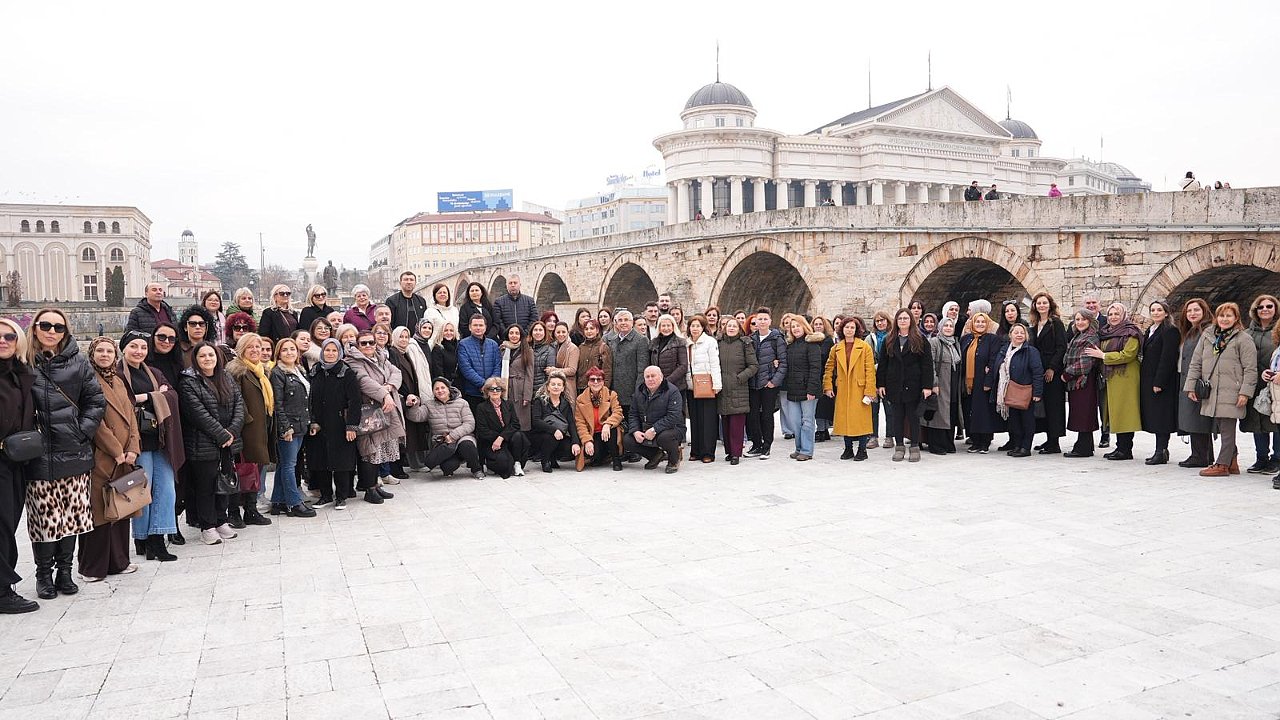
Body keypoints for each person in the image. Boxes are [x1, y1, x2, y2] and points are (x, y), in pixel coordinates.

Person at [25, 309, 106, 600]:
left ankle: (66, 571)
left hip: (73, 450)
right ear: (34, 328)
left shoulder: (78, 362)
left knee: (72, 516)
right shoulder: (23, 362)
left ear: (65, 332)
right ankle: (43, 575)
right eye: (45, 325)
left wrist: (81, 431)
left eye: (58, 327)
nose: (51, 331)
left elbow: (96, 400)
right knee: (44, 517)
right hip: (38, 453)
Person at [78, 337, 140, 582]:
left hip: (125, 455)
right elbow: (96, 423)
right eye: (100, 351)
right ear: (92, 354)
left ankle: (119, 561)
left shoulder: (119, 380)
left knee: (121, 508)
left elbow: (131, 415)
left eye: (109, 351)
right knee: (100, 512)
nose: (105, 355)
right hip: (103, 456)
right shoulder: (87, 380)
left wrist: (133, 447)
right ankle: (93, 567)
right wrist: (116, 450)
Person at [118, 330, 183, 558]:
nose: (139, 351)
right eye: (134, 346)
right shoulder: (118, 374)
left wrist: (144, 397)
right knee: (140, 491)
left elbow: (172, 395)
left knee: (166, 489)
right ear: (124, 348)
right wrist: (154, 395)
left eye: (143, 347)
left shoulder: (154, 372)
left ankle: (158, 537)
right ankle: (141, 538)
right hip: (136, 442)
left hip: (160, 438)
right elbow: (123, 401)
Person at [179, 342, 243, 545]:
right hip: (203, 443)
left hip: (227, 442)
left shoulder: (226, 377)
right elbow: (197, 414)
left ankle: (221, 520)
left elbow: (240, 406)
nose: (208, 359)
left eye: (211, 355)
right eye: (203, 356)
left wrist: (231, 431)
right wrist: (221, 435)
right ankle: (207, 525)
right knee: (205, 486)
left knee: (224, 481)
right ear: (196, 359)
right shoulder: (188, 381)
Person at [1185, 303, 1257, 476]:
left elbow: (1250, 368)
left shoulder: (1243, 339)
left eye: (1229, 316)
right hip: (1212, 391)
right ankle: (1232, 461)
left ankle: (1222, 465)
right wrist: (1190, 386)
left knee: (1226, 428)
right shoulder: (1208, 336)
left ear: (1236, 318)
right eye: (1221, 316)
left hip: (1232, 391)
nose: (1225, 319)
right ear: (1216, 318)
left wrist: (1245, 393)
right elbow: (1196, 362)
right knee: (1220, 426)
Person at [0, 318, 38, 613]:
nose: (3, 340)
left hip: (16, 460)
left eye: (9, 336)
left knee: (8, 523)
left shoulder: (21, 373)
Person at [345, 329, 405, 501]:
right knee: (369, 451)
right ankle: (369, 489)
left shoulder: (380, 356)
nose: (369, 346)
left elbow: (396, 373)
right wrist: (384, 394)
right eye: (364, 343)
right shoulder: (353, 360)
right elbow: (364, 381)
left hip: (385, 411)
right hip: (368, 412)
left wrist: (390, 387)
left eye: (371, 342)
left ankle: (375, 485)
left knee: (380, 450)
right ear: (357, 344)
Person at [226, 333, 276, 528]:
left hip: (261, 428)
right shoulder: (237, 371)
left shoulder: (261, 371)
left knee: (255, 470)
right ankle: (234, 512)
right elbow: (235, 402)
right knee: (241, 471)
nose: (256, 350)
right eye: (250, 347)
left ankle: (251, 509)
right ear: (241, 350)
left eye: (258, 346)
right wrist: (246, 421)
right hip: (246, 430)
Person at [306, 339, 361, 508]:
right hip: (320, 425)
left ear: (339, 353)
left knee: (341, 463)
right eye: (327, 350)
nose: (330, 353)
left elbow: (355, 401)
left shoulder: (346, 372)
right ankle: (326, 495)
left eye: (334, 351)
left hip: (339, 424)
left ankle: (341, 496)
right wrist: (313, 421)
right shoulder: (316, 370)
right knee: (321, 462)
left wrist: (351, 425)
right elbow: (310, 399)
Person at [1084, 303, 1142, 461]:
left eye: (1117, 314)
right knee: (1115, 413)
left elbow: (1128, 354)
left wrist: (1103, 356)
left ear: (1123, 315)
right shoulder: (1105, 332)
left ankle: (1126, 449)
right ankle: (1119, 447)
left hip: (1126, 378)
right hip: (1110, 377)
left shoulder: (1131, 332)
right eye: (1110, 314)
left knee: (1125, 413)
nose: (1113, 317)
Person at [268, 338, 317, 517]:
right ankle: (294, 504)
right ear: (278, 353)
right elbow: (277, 404)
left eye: (292, 349)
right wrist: (285, 427)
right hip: (288, 426)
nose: (289, 353)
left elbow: (306, 400)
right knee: (289, 465)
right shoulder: (277, 373)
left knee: (284, 464)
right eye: (284, 350)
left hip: (300, 424)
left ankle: (278, 501)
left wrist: (310, 421)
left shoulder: (299, 370)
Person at [878, 308, 934, 462]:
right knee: (897, 417)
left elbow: (927, 365)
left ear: (911, 321)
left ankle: (915, 446)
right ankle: (899, 446)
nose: (903, 321)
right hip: (894, 385)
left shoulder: (920, 340)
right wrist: (881, 384)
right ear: (896, 321)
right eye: (900, 318)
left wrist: (927, 386)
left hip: (913, 385)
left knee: (913, 416)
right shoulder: (889, 340)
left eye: (906, 318)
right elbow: (883, 364)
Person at [988, 323, 1044, 457]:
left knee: (1027, 420)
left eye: (1022, 333)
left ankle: (1025, 447)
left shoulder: (1031, 351)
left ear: (1026, 336)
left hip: (1025, 390)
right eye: (1016, 332)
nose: (1019, 335)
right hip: (1008, 390)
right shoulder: (1004, 351)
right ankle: (1017, 445)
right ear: (1010, 335)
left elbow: (1037, 372)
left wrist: (1037, 392)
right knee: (1014, 421)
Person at [825, 316, 876, 461]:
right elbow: (829, 368)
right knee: (845, 419)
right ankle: (848, 449)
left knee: (861, 421)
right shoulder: (836, 348)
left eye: (852, 327)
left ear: (857, 330)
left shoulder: (864, 347)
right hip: (843, 387)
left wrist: (870, 391)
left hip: (860, 389)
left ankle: (862, 449)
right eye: (847, 327)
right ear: (842, 329)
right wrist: (827, 385)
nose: (849, 330)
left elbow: (870, 370)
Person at [1138, 300, 1181, 465]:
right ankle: (1160, 450)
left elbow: (1168, 358)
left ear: (1166, 313)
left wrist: (1159, 382)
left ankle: (1161, 450)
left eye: (1159, 310)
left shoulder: (1170, 331)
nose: (1155, 313)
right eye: (1153, 310)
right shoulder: (1151, 330)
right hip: (1149, 378)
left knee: (1162, 417)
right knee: (1156, 416)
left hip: (1162, 381)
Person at [1176, 299, 1216, 468]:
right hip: (1187, 378)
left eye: (1196, 310)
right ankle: (1205, 455)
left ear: (1204, 311)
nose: (1192, 313)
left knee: (1197, 418)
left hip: (1197, 381)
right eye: (1189, 311)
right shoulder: (1192, 330)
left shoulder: (1207, 331)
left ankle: (1199, 455)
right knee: (1194, 416)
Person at [1242, 295, 1279, 474]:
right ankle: (1261, 458)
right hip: (1255, 383)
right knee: (1257, 422)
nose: (1265, 309)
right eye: (1260, 307)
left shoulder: (1278, 330)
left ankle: (1277, 459)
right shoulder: (1248, 333)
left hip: (1276, 384)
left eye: (1269, 306)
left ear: (1275, 308)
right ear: (1255, 311)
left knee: (1276, 421)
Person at [624, 366, 685, 474]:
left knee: (664, 437)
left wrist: (654, 429)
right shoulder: (639, 391)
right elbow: (633, 414)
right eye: (647, 376)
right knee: (628, 440)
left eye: (653, 376)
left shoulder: (672, 391)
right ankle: (655, 455)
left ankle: (673, 460)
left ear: (661, 377)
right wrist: (635, 431)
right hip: (646, 427)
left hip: (673, 428)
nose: (650, 379)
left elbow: (674, 416)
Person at [1028, 292, 1067, 454]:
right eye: (1038, 303)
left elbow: (1061, 347)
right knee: (1043, 406)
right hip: (1039, 369)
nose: (1041, 306)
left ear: (1050, 305)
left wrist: (1052, 368)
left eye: (1044, 303)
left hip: (1052, 371)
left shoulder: (1055, 323)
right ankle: (1048, 438)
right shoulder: (1036, 324)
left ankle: (1054, 442)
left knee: (1054, 405)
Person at [422, 378, 484, 479]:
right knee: (447, 467)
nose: (440, 390)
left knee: (467, 446)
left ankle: (476, 469)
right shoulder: (429, 405)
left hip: (463, 437)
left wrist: (453, 435)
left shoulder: (462, 403)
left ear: (449, 389)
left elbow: (470, 424)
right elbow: (416, 416)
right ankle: (457, 457)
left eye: (443, 387)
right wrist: (412, 405)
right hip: (444, 442)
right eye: (436, 389)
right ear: (433, 392)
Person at [389, 326, 432, 471]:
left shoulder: (405, 353)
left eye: (406, 337)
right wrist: (406, 394)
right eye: (401, 336)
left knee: (414, 431)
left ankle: (417, 463)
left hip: (411, 396)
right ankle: (406, 465)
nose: (404, 340)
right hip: (402, 397)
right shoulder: (393, 353)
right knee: (407, 432)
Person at [961, 312, 1005, 454]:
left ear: (987, 324)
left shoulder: (992, 339)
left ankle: (984, 442)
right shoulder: (966, 339)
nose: (980, 324)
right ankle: (974, 440)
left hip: (982, 382)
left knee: (983, 412)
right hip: (968, 382)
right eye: (977, 322)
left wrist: (988, 381)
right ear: (973, 324)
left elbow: (993, 361)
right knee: (970, 411)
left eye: (983, 322)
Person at [746, 307, 787, 459]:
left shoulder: (777, 339)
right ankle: (756, 444)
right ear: (755, 321)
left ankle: (766, 446)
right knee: (752, 415)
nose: (762, 322)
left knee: (767, 416)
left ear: (770, 321)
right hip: (753, 383)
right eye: (760, 319)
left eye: (765, 319)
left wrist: (774, 381)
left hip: (768, 384)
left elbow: (783, 362)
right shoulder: (751, 339)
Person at [717, 315, 758, 465]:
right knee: (726, 421)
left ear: (739, 328)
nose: (732, 328)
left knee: (737, 423)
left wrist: (740, 378)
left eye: (734, 326)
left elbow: (753, 366)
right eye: (729, 326)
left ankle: (736, 453)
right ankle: (729, 451)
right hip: (722, 388)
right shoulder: (719, 343)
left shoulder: (745, 343)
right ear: (724, 328)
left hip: (738, 387)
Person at [1062, 309, 1103, 458]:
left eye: (1083, 319)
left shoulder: (1091, 337)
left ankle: (1083, 448)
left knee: (1084, 413)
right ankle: (1086, 445)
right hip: (1078, 381)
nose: (1080, 322)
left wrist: (1067, 374)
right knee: (1081, 412)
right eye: (1077, 319)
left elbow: (1086, 362)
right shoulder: (1078, 335)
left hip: (1083, 381)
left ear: (1090, 321)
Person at [782, 315, 823, 462]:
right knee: (794, 421)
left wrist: (811, 390)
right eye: (793, 327)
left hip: (808, 390)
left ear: (804, 326)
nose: (795, 329)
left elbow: (815, 368)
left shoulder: (812, 345)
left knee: (807, 420)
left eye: (798, 326)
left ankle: (806, 450)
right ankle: (798, 448)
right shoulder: (790, 346)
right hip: (793, 389)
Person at [474, 377, 529, 478]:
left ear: (502, 391)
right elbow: (483, 430)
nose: (495, 391)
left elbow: (515, 424)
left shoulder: (508, 404)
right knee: (504, 467)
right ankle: (490, 463)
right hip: (491, 442)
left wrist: (501, 437)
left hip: (507, 439)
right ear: (487, 391)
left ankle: (517, 463)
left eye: (498, 389)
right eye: (492, 389)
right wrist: (498, 439)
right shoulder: (481, 407)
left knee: (519, 436)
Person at [685, 315, 722, 463]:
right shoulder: (686, 343)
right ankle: (696, 450)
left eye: (698, 326)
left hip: (707, 385)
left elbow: (715, 363)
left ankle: (708, 452)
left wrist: (717, 384)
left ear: (703, 327)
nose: (695, 328)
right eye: (692, 326)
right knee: (695, 419)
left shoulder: (709, 342)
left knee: (708, 419)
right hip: (691, 386)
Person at [529, 371, 580, 473]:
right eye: (553, 384)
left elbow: (571, 424)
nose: (556, 387)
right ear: (548, 387)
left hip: (559, 434)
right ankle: (545, 460)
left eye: (559, 385)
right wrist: (554, 430)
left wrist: (575, 442)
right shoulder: (540, 401)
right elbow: (536, 421)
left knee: (568, 448)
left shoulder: (565, 403)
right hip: (540, 435)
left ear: (563, 388)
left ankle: (553, 457)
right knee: (550, 437)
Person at [924, 317, 962, 454]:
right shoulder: (934, 342)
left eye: (950, 326)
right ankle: (936, 445)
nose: (948, 328)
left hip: (953, 384)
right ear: (940, 327)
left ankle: (948, 443)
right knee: (939, 414)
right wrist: (934, 383)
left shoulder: (955, 344)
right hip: (940, 384)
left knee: (950, 413)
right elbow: (930, 364)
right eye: (945, 325)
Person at [574, 367, 624, 471]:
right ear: (588, 382)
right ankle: (602, 457)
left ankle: (616, 459)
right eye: (592, 379)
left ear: (603, 382)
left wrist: (608, 424)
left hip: (608, 431)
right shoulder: (580, 399)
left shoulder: (611, 395)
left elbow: (618, 412)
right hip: (593, 433)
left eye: (599, 379)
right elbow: (580, 423)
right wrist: (587, 440)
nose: (596, 382)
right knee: (593, 454)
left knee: (612, 430)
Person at [457, 315, 502, 409]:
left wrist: (490, 386)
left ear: (485, 327)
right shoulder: (463, 344)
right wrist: (483, 384)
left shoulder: (493, 344)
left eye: (481, 325)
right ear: (470, 327)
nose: (478, 328)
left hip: (492, 392)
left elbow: (497, 366)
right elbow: (466, 368)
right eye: (475, 325)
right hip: (472, 393)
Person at [498, 324, 534, 431]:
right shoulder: (502, 349)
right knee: (507, 419)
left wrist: (527, 396)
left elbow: (530, 374)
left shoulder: (528, 351)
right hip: (505, 387)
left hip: (520, 389)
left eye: (517, 333)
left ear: (521, 335)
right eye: (511, 333)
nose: (514, 335)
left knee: (521, 421)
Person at [867, 311, 891, 448]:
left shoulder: (893, 337)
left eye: (883, 320)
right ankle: (873, 436)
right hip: (873, 377)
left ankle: (889, 436)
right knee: (873, 409)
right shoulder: (870, 339)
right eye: (877, 321)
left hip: (889, 378)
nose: (880, 323)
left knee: (889, 409)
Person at [810, 316, 836, 441]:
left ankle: (822, 429)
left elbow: (823, 356)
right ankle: (822, 429)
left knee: (824, 404)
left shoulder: (828, 341)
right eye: (816, 324)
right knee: (819, 404)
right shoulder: (810, 340)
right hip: (815, 376)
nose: (818, 326)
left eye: (821, 324)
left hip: (825, 375)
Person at [177, 304, 216, 369]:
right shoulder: (178, 350)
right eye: (192, 324)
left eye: (201, 324)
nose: (198, 327)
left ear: (206, 327)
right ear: (185, 327)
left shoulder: (214, 350)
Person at [576, 320, 613, 388]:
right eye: (586, 329)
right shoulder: (581, 347)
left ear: (597, 330)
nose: (589, 331)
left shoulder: (603, 347)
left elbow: (607, 371)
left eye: (592, 328)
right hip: (581, 387)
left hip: (597, 386)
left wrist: (605, 388)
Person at [551, 323, 581, 399]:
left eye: (563, 332)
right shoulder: (553, 346)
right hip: (555, 385)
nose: (561, 334)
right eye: (558, 332)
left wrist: (554, 370)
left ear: (568, 333)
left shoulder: (573, 348)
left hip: (568, 385)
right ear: (554, 333)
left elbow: (572, 370)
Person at [528, 321, 556, 396]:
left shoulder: (550, 350)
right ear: (531, 332)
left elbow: (550, 374)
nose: (538, 332)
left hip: (542, 390)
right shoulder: (526, 348)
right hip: (527, 388)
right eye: (535, 330)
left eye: (540, 330)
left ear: (545, 332)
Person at [431, 323, 460, 387]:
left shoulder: (458, 346)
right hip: (445, 386)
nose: (449, 333)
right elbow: (438, 371)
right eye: (446, 330)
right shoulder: (438, 349)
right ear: (441, 332)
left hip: (459, 385)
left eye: (451, 330)